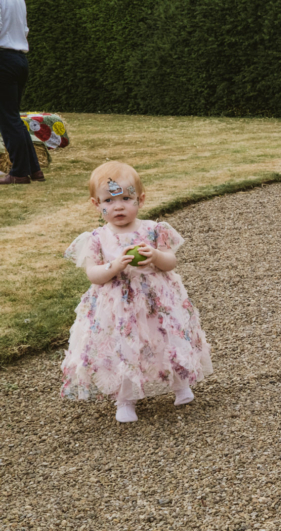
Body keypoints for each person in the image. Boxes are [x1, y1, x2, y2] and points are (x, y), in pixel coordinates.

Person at [61, 162, 212, 423]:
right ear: (96, 205)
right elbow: (92, 274)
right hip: (118, 308)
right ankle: (126, 399)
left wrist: (154, 256)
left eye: (126, 198)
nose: (118, 206)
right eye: (109, 200)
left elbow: (170, 262)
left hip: (156, 303)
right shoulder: (97, 238)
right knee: (124, 349)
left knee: (166, 341)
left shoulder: (152, 230)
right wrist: (114, 266)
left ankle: (180, 385)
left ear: (140, 199)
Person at [0, 0, 41, 185]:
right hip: (19, 58)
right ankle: (34, 168)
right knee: (13, 116)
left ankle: (19, 172)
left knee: (7, 118)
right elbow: (24, 29)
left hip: (3, 59)